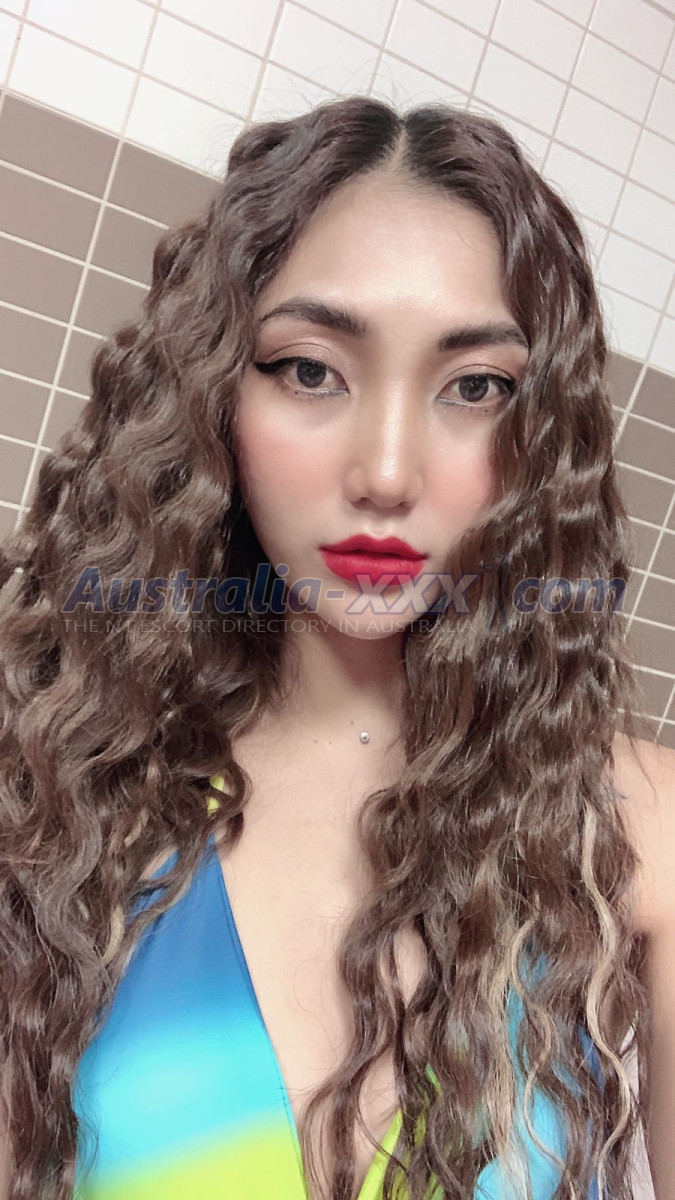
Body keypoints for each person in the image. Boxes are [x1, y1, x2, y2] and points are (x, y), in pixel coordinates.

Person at [0, 93, 673, 1200]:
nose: (388, 472)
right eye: (311, 369)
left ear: (540, 438)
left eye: (476, 388)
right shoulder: (59, 802)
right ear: (214, 393)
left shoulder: (646, 834)